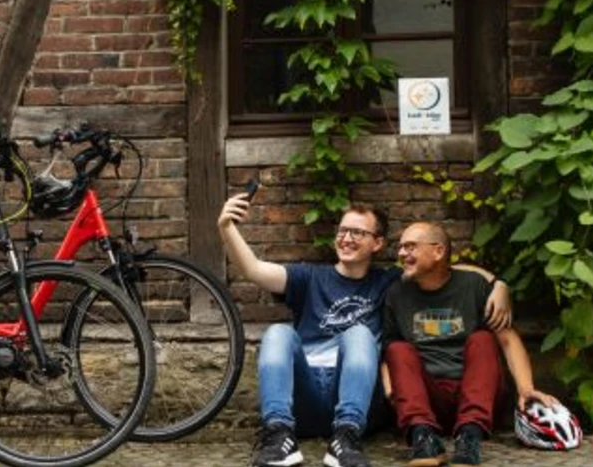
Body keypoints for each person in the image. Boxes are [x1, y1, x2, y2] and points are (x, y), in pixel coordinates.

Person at [218, 194, 511, 467]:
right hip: (305, 395)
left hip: (356, 398)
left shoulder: (388, 282)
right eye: (342, 231)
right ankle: (279, 435)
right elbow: (254, 270)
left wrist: (498, 284)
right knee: (278, 333)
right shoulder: (309, 277)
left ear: (378, 244)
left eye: (357, 233)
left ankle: (346, 439)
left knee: (359, 333)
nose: (346, 238)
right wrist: (227, 227)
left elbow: (444, 268)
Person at [382, 222, 559, 467]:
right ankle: (423, 438)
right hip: (425, 398)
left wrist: (526, 389)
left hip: (476, 395)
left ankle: (470, 437)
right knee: (397, 348)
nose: (401, 253)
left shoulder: (473, 286)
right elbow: (390, 352)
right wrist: (391, 389)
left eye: (410, 247)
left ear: (438, 251)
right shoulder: (396, 293)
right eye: (400, 247)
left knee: (483, 339)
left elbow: (507, 339)